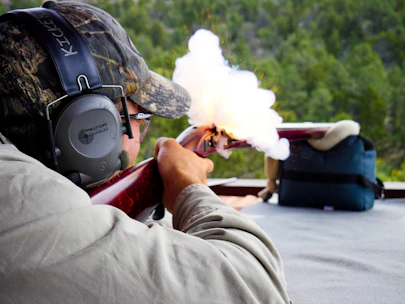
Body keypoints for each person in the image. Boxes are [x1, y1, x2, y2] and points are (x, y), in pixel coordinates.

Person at [0, 1, 290, 303]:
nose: (139, 139)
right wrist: (189, 186)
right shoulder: (28, 209)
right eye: (140, 118)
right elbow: (255, 287)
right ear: (90, 129)